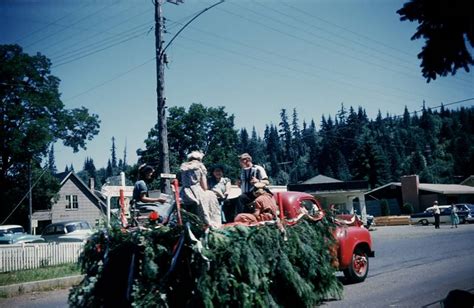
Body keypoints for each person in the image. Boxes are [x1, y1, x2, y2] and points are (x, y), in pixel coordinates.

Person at [179, 151, 221, 228]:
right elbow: (204, 186)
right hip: (195, 192)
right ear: (199, 159)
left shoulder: (184, 166)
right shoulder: (200, 166)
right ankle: (211, 221)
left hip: (184, 193)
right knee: (211, 195)